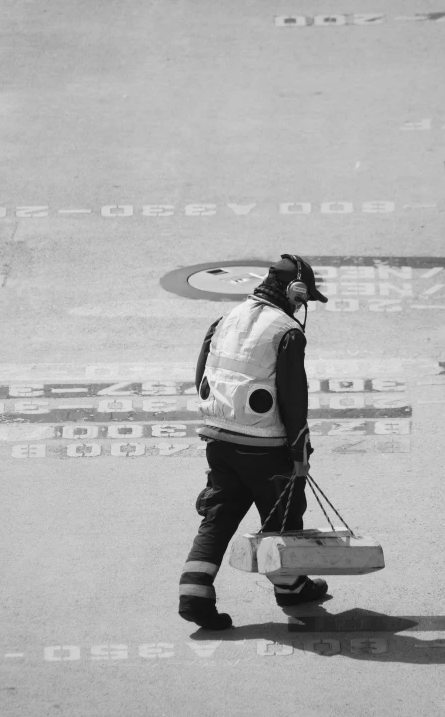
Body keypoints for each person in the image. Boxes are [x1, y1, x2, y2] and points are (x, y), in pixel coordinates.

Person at [178, 254, 329, 630]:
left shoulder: (226, 319)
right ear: (295, 290)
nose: (303, 304)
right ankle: (290, 589)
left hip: (219, 439)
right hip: (266, 447)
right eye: (304, 297)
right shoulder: (287, 331)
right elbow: (294, 398)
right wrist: (299, 451)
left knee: (219, 516)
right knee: (283, 519)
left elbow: (202, 374)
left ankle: (194, 596)